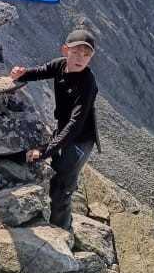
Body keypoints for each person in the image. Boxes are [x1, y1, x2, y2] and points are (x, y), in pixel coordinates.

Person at [9, 28, 100, 230]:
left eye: (86, 55)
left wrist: (44, 151)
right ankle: (59, 221)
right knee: (56, 175)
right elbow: (41, 71)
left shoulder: (87, 83)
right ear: (65, 50)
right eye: (76, 52)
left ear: (90, 59)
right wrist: (22, 74)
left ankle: (62, 231)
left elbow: (75, 124)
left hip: (80, 141)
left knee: (62, 187)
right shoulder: (60, 65)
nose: (80, 58)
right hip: (65, 130)